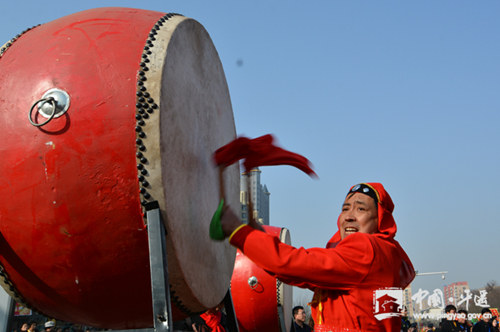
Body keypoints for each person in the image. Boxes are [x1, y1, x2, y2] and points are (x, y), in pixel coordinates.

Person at [217, 182, 415, 331]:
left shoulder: (366, 248)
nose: (349, 216)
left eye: (361, 209)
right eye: (345, 208)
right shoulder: (390, 258)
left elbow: (294, 264)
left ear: (381, 219)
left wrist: (239, 233)